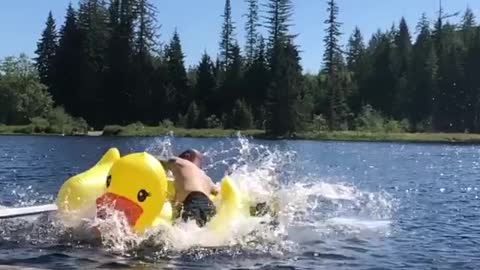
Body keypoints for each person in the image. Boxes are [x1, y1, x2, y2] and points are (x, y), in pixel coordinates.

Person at [163, 149, 219, 227]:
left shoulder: (180, 162)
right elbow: (219, 192)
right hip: (210, 206)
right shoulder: (206, 178)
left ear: (186, 157)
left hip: (194, 203)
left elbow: (159, 161)